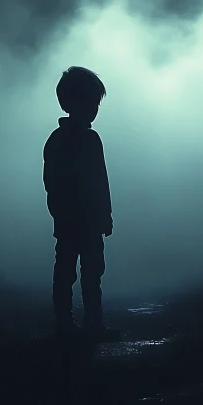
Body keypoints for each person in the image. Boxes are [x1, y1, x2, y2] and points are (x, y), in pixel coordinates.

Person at [43, 66, 117, 340]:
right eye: (92, 102)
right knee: (86, 273)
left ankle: (70, 322)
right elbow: (99, 181)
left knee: (72, 271)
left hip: (71, 220)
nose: (94, 109)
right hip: (81, 220)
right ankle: (86, 323)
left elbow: (51, 182)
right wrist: (103, 214)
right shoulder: (86, 140)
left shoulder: (57, 139)